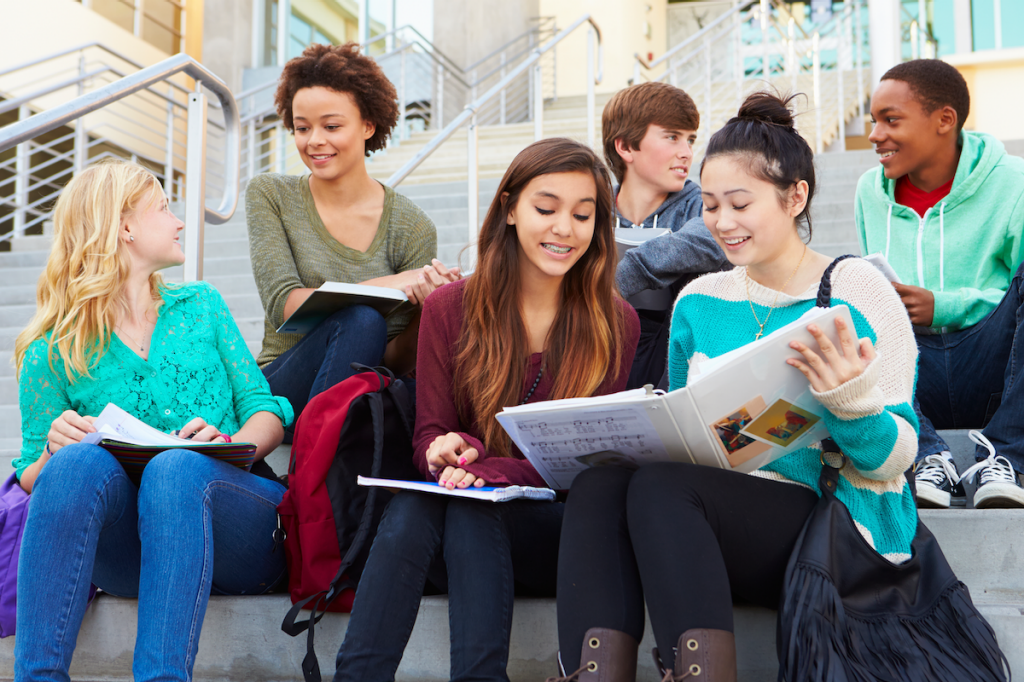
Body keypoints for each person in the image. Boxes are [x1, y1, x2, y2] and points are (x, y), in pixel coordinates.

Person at [553, 93, 918, 682]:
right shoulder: (699, 299)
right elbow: (687, 431)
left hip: (831, 521)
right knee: (601, 485)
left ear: (794, 195)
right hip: (710, 515)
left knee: (665, 491)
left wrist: (849, 403)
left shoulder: (856, 290)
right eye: (712, 206)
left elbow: (896, 458)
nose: (722, 222)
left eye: (740, 203)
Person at [332, 138, 640, 682]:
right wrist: (440, 449)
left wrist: (488, 470)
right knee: (420, 506)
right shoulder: (450, 308)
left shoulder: (615, 322)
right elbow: (430, 430)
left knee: (467, 504)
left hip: (557, 534)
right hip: (458, 527)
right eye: (546, 209)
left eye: (582, 215)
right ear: (510, 210)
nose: (564, 228)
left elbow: (582, 466)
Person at [12, 160, 293, 681]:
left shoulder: (202, 306)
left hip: (238, 525)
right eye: (164, 208)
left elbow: (265, 407)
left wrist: (229, 442)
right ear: (125, 227)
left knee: (175, 469)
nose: (179, 221)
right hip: (131, 551)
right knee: (73, 465)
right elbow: (32, 473)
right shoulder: (50, 349)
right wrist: (54, 449)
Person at [246, 42, 459, 429]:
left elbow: (390, 359)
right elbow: (285, 307)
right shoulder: (270, 195)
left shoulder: (411, 226)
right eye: (302, 128)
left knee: (367, 326)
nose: (314, 141)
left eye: (331, 126)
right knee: (361, 319)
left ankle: (322, 462)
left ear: (368, 125)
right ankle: (314, 465)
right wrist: (393, 283)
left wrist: (428, 310)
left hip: (357, 393)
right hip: (280, 388)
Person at [854, 59, 1024, 509]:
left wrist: (942, 305)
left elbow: (1016, 295)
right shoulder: (869, 192)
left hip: (993, 368)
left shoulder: (1013, 181)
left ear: (944, 120)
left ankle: (1008, 455)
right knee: (846, 289)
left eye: (891, 120)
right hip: (911, 374)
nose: (875, 135)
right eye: (874, 121)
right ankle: (929, 456)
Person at [603, 82, 731, 389]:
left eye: (690, 140)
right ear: (625, 147)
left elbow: (709, 238)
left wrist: (617, 279)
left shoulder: (700, 204)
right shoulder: (592, 209)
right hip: (600, 348)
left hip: (673, 360)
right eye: (672, 137)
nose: (686, 153)